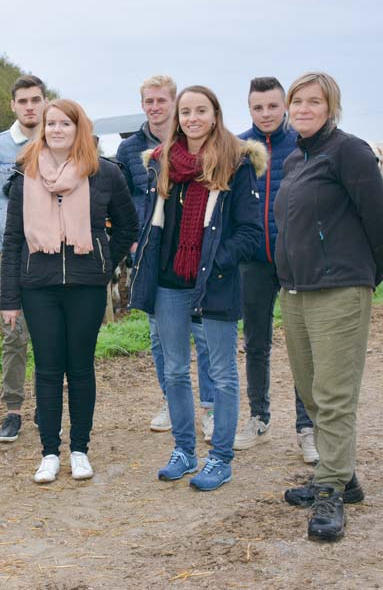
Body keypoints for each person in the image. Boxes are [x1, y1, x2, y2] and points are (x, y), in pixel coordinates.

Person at [275, 72, 383, 541]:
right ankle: (343, 474)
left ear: (331, 107)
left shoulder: (349, 151)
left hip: (340, 289)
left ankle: (330, 490)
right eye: (297, 101)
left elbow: (380, 221)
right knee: (309, 390)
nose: (303, 109)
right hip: (297, 290)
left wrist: (365, 276)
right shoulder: (295, 160)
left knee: (334, 392)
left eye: (313, 102)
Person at [129, 85, 263, 492]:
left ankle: (220, 458)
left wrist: (214, 261)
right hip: (169, 284)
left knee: (221, 375)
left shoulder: (235, 163)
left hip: (215, 283)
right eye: (185, 111)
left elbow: (250, 232)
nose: (192, 118)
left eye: (200, 110)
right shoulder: (162, 162)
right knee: (173, 370)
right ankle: (184, 451)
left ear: (215, 114)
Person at [0, 99, 137, 483]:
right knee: (46, 369)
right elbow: (12, 241)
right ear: (42, 129)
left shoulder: (105, 173)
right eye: (51, 124)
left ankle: (79, 449)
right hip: (38, 287)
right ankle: (49, 452)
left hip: (86, 288)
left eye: (66, 123)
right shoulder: (23, 176)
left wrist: (104, 265)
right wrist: (8, 298)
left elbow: (128, 226)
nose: (57, 130)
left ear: (79, 129)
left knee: (79, 368)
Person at [115, 75, 216, 438]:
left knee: (203, 333)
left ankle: (210, 406)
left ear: (174, 103)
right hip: (149, 255)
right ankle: (171, 401)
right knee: (159, 336)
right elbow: (122, 198)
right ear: (142, 105)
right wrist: (130, 241)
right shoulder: (129, 150)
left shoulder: (194, 143)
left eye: (161, 100)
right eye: (148, 101)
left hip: (195, 251)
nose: (155, 107)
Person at [234, 78, 317, 461]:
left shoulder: (302, 144)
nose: (265, 114)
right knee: (255, 342)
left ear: (284, 106)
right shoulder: (238, 149)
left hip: (296, 258)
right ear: (249, 109)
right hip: (253, 260)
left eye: (272, 106)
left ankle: (307, 426)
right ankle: (259, 418)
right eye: (257, 108)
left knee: (302, 343)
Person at [0, 74, 48, 442]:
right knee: (13, 333)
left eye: (35, 100)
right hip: (11, 250)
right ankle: (13, 409)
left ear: (45, 101)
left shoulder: (58, 138)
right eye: (23, 101)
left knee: (48, 332)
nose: (30, 107)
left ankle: (46, 405)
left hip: (50, 251)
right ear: (13, 105)